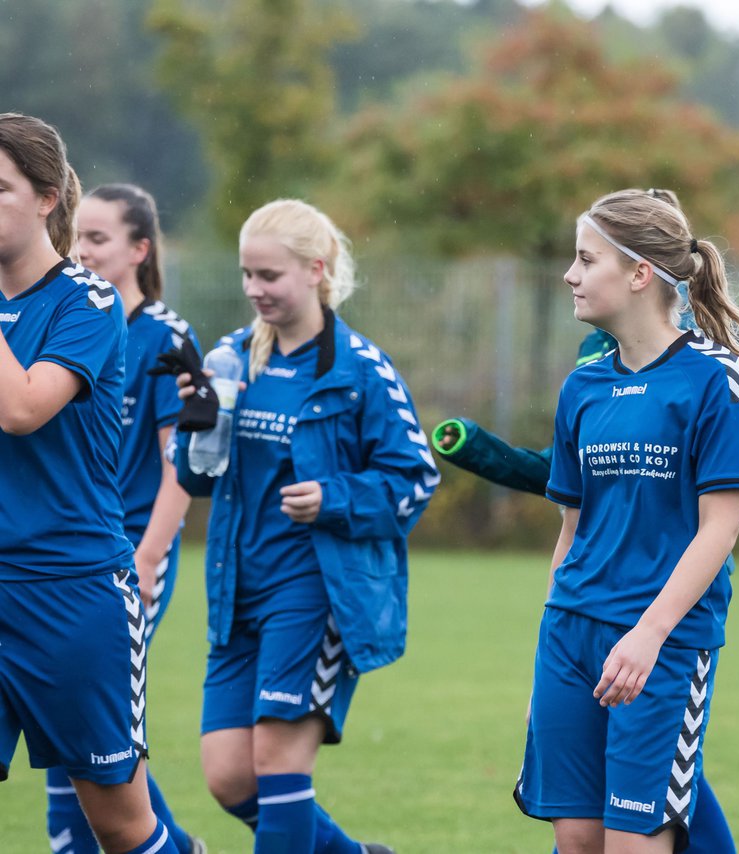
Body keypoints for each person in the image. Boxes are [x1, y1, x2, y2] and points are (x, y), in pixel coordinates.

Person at [170, 198, 439, 854]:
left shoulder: (359, 369)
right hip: (236, 590)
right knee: (229, 776)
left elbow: (416, 478)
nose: (253, 290)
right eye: (246, 274)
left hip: (315, 590)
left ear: (317, 270)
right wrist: (195, 429)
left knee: (278, 763)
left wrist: (334, 498)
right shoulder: (233, 359)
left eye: (269, 276)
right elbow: (197, 479)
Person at [513, 189, 739, 854]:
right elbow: (572, 529)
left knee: (635, 844)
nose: (570, 274)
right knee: (576, 843)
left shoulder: (718, 380)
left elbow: (721, 529)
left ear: (638, 274)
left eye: (585, 259)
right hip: (570, 635)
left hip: (664, 645)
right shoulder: (582, 386)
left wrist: (648, 636)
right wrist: (550, 635)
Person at [0, 113, 180, 854]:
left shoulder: (88, 302)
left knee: (118, 824)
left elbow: (22, 408)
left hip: (69, 591)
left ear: (46, 198)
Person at [36, 183, 206, 854]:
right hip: (60, 556)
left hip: (122, 557)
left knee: (85, 730)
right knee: (82, 732)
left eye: (99, 238)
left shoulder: (166, 338)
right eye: (79, 236)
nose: (83, 250)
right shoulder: (69, 316)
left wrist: (148, 556)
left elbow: (180, 466)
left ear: (140, 250)